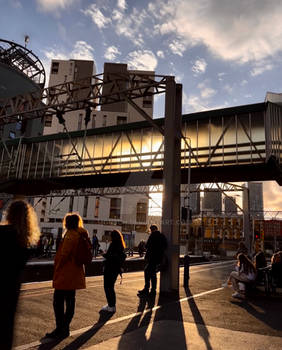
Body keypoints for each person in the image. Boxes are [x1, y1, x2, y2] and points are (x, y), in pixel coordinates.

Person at [1, 199, 40, 350]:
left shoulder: (2, 233)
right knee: (6, 329)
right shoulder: (24, 242)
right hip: (11, 292)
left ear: (9, 214)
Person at [45, 213, 89, 340]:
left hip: (65, 274)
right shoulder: (81, 234)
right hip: (75, 273)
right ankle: (65, 328)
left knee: (57, 302)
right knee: (70, 301)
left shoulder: (70, 235)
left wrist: (57, 268)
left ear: (67, 223)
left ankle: (60, 328)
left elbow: (64, 255)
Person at [137, 225, 167, 297]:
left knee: (147, 272)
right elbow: (165, 246)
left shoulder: (152, 236)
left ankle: (148, 289)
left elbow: (147, 246)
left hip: (152, 258)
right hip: (158, 258)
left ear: (151, 230)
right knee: (153, 274)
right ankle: (152, 289)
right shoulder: (162, 236)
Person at [100, 229, 126, 313]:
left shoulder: (113, 244)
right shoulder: (121, 245)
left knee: (107, 287)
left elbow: (109, 256)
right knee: (111, 287)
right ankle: (111, 305)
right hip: (116, 269)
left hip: (110, 268)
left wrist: (103, 254)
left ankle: (111, 306)